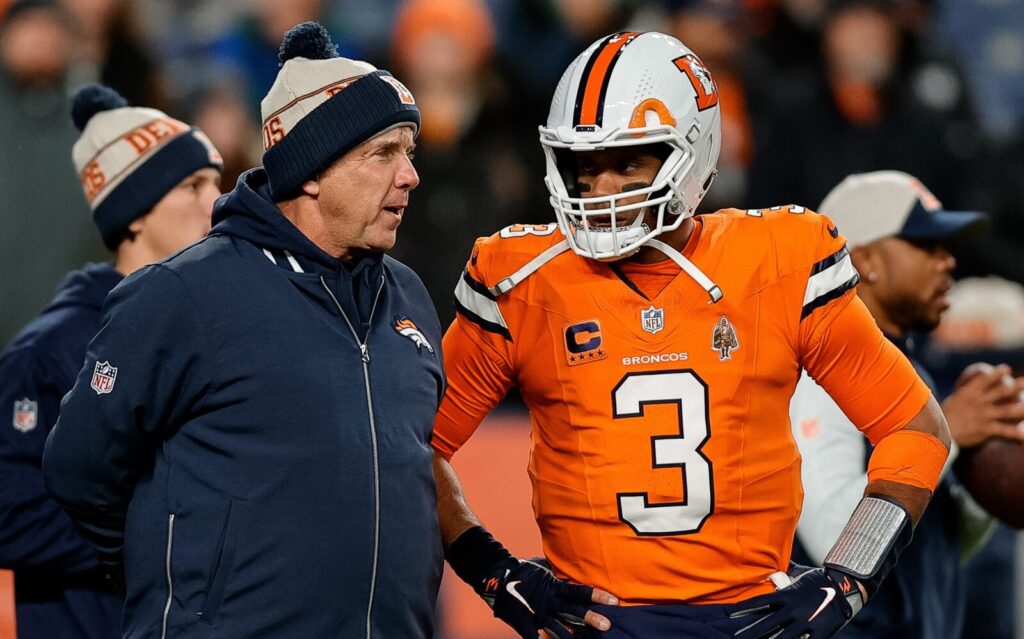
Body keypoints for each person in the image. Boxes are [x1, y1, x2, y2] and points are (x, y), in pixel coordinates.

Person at [431, 31, 952, 639]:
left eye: (628, 162)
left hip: (751, 620)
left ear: (694, 152)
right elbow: (414, 450)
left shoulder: (779, 258)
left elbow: (915, 430)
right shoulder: (520, 275)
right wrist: (495, 573)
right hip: (594, 623)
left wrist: (847, 579)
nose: (600, 190)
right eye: (585, 166)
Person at [44, 22, 444, 638]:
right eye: (384, 153)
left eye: (409, 152)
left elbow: (412, 465)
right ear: (312, 169)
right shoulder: (182, 294)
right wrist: (182, 587)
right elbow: (80, 466)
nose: (410, 175)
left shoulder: (408, 295)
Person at [0, 83, 222, 638]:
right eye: (193, 184)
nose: (215, 201)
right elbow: (10, 515)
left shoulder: (220, 328)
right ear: (134, 213)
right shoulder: (46, 353)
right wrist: (165, 528)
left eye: (217, 182)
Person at [790, 170, 1024, 638]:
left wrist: (982, 481)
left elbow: (930, 553)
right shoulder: (821, 372)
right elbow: (830, 540)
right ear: (866, 260)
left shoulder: (905, 366)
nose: (948, 262)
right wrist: (948, 435)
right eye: (926, 246)